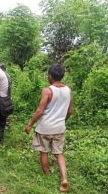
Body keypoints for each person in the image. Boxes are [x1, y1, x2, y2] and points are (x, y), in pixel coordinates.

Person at [24, 64, 73, 192]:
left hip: (44, 128)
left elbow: (40, 110)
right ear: (62, 76)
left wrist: (30, 124)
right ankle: (64, 179)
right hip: (59, 128)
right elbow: (70, 111)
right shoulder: (69, 90)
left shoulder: (48, 90)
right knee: (59, 153)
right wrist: (63, 121)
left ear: (50, 76)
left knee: (44, 151)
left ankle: (47, 175)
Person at [0, 63, 11, 130]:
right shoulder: (8, 75)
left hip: (4, 96)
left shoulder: (3, 75)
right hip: (8, 95)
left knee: (3, 110)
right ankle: (6, 124)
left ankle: (4, 125)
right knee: (7, 110)